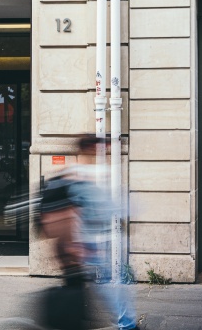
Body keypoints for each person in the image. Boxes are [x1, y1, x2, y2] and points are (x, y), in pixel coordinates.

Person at [37, 136, 137, 330]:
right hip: (85, 241)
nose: (104, 151)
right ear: (90, 148)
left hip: (85, 241)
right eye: (100, 147)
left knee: (95, 286)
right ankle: (126, 324)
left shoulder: (80, 172)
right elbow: (82, 210)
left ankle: (120, 323)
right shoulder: (80, 174)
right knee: (110, 285)